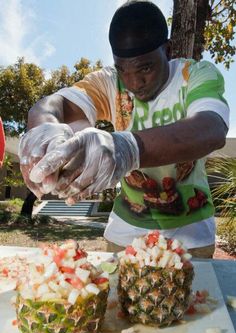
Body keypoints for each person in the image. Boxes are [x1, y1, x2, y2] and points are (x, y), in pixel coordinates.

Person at [18, 0, 229, 258]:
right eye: (122, 69)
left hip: (191, 233)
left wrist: (127, 147)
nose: (133, 82)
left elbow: (211, 128)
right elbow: (53, 104)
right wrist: (44, 130)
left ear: (168, 50)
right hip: (126, 231)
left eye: (145, 68)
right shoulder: (108, 82)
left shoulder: (195, 75)